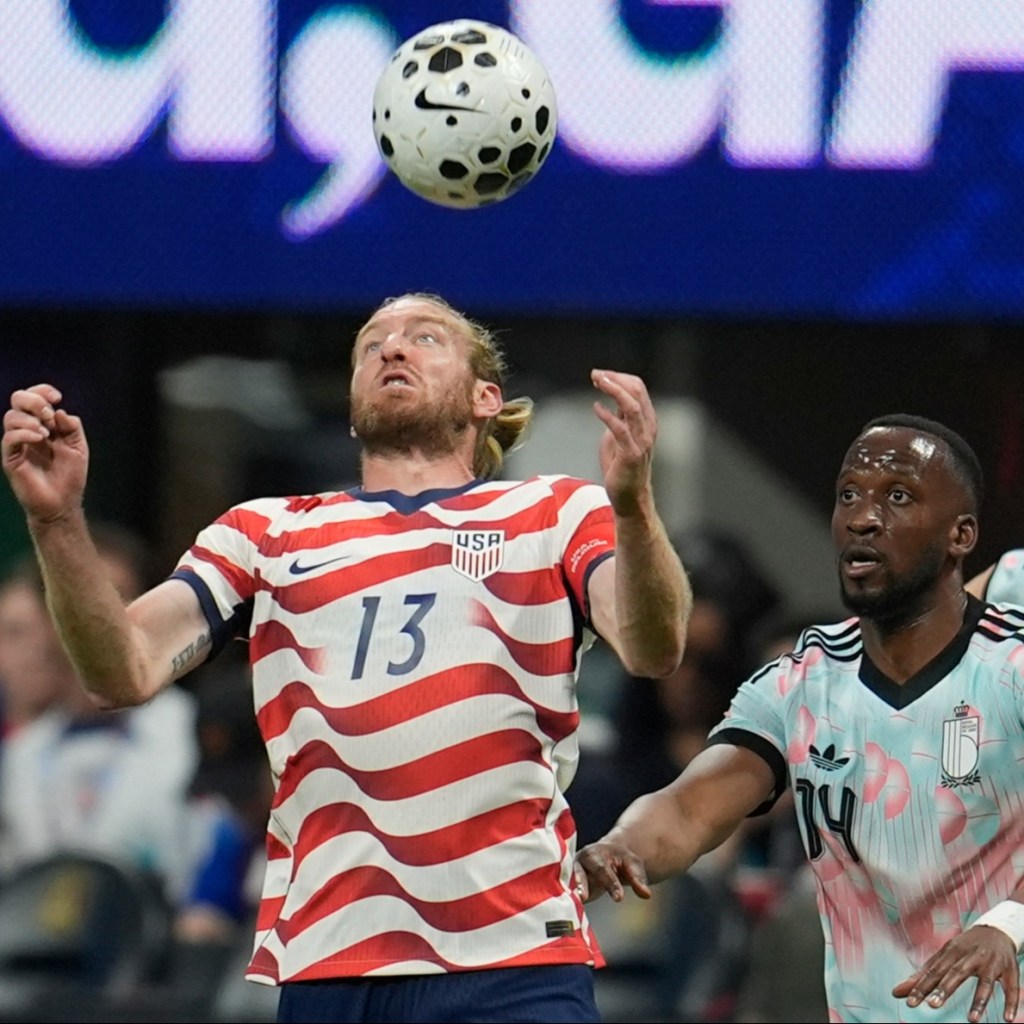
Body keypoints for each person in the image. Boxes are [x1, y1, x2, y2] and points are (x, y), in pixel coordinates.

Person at [0, 291, 691, 1024]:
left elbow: (653, 647)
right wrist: (57, 520)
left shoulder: (554, 512)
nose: (392, 347)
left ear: (485, 397)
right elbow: (122, 670)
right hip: (329, 959)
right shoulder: (264, 533)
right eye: (372, 343)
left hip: (512, 954)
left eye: (425, 337)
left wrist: (633, 507)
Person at [576, 413, 1024, 1024]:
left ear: (960, 535)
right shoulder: (798, 682)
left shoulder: (1011, 667)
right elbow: (687, 809)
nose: (863, 517)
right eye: (849, 495)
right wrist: (617, 847)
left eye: (897, 497)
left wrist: (1008, 922)